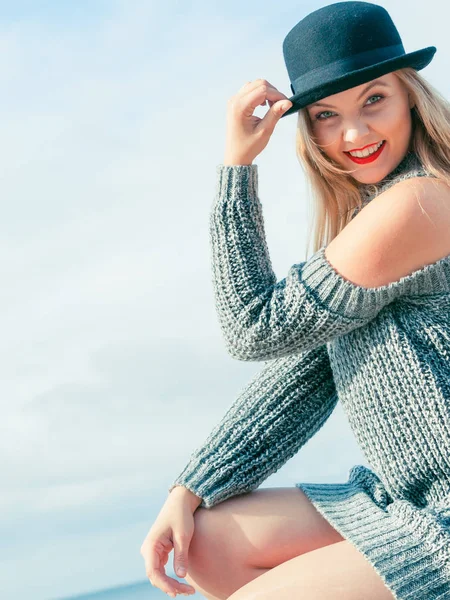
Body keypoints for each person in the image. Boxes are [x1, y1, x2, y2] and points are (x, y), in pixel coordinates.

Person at [140, 2, 450, 599]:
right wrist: (190, 488)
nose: (354, 134)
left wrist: (236, 166)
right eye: (327, 114)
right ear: (308, 129)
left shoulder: (418, 204)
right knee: (204, 539)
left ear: (410, 95)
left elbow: (252, 328)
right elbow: (303, 375)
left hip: (442, 515)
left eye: (374, 100)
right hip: (403, 497)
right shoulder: (377, 220)